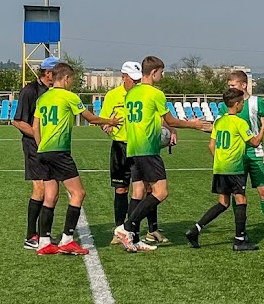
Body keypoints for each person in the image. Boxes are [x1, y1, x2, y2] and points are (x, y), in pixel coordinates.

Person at [113, 56, 206, 252]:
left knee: (138, 193)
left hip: (133, 149)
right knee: (160, 192)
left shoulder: (131, 93)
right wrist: (194, 124)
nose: (162, 76)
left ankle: (134, 239)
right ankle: (127, 228)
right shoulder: (156, 94)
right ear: (154, 72)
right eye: (161, 72)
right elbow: (171, 121)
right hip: (148, 150)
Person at [32, 62, 119, 254]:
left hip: (43, 151)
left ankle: (44, 242)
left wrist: (40, 147)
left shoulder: (43, 98)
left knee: (50, 196)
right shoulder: (69, 96)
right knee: (78, 194)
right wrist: (111, 121)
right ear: (65, 78)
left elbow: (35, 126)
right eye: (71, 79)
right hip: (59, 152)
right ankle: (67, 240)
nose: (72, 83)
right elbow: (91, 118)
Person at [186, 88, 264, 251]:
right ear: (236, 104)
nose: (243, 104)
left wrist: (220, 159)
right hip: (234, 168)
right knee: (241, 200)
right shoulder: (240, 122)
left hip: (220, 167)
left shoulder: (220, 121)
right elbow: (256, 143)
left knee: (223, 203)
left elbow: (211, 145)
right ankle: (239, 240)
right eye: (242, 102)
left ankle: (196, 229)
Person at [101, 62, 168, 245]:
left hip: (140, 146)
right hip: (121, 147)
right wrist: (106, 124)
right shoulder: (113, 96)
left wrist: (170, 130)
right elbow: (104, 119)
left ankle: (150, 230)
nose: (137, 82)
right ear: (123, 76)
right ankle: (121, 229)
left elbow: (159, 117)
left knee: (147, 189)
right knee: (122, 188)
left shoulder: (142, 93)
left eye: (139, 79)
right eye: (133, 79)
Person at [13, 55, 58, 249]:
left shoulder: (55, 92)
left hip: (51, 147)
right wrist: (39, 137)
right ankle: (31, 236)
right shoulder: (30, 91)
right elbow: (18, 121)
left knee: (51, 190)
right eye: (56, 72)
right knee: (40, 188)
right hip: (34, 146)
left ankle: (43, 236)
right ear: (47, 73)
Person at [227, 70, 264, 242]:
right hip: (236, 156)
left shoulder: (257, 102)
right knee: (238, 193)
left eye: (233, 85)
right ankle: (240, 229)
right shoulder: (228, 105)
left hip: (256, 154)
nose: (230, 88)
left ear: (243, 85)